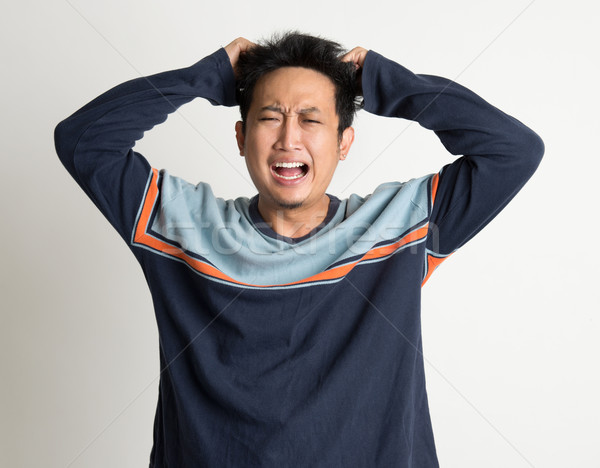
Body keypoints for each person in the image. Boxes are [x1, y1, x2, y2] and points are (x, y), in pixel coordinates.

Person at [54, 32, 544, 468]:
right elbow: (83, 141)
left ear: (344, 142)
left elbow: (513, 151)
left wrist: (383, 81)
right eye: (270, 117)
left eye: (311, 120)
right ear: (242, 137)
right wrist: (208, 76)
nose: (289, 139)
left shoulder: (402, 226)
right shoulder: (182, 226)